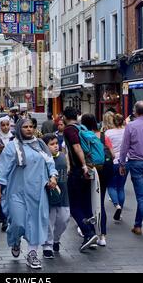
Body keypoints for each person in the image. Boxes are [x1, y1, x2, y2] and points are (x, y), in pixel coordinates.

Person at [0, 119, 58, 269]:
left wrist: (53, 177)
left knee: (35, 223)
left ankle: (32, 254)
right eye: (25, 127)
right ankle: (15, 241)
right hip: (17, 192)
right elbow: (3, 170)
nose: (29, 129)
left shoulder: (41, 145)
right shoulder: (12, 147)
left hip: (37, 192)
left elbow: (50, 163)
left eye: (31, 127)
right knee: (18, 223)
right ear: (18, 128)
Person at [119, 101, 143, 244]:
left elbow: (124, 147)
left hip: (136, 164)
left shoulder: (131, 126)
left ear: (135, 111)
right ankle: (137, 225)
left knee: (141, 197)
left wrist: (122, 163)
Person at [63, 107, 98, 252]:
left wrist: (83, 166)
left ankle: (88, 233)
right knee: (86, 203)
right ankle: (93, 235)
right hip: (89, 169)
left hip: (78, 170)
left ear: (65, 117)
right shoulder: (82, 127)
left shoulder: (69, 129)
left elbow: (76, 147)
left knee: (74, 206)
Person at [80, 114, 114, 247]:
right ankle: (102, 236)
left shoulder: (83, 135)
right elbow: (113, 154)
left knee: (88, 201)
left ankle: (90, 233)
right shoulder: (103, 135)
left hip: (91, 170)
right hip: (105, 170)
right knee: (101, 202)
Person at [42, 133, 70, 258]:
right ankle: (47, 245)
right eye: (51, 144)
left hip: (64, 195)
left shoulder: (63, 156)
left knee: (64, 219)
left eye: (56, 143)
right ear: (45, 146)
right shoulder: (42, 159)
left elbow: (68, 170)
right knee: (49, 221)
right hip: (49, 195)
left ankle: (56, 239)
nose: (55, 146)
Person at [106, 114, 129, 222]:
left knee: (111, 185)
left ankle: (117, 206)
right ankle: (120, 212)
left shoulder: (108, 133)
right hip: (125, 161)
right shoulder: (126, 131)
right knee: (120, 187)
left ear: (113, 122)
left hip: (112, 161)